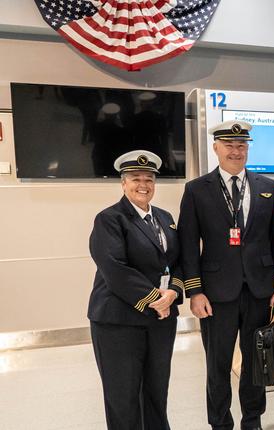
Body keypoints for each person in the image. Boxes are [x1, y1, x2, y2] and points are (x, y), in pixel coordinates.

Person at [178, 120, 274, 430]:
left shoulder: (266, 187)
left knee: (255, 361)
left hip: (258, 291)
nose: (235, 151)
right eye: (228, 145)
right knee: (218, 364)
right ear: (216, 148)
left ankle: (252, 420)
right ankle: (220, 423)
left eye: (241, 145)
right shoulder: (196, 190)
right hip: (215, 294)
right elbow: (188, 245)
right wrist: (195, 291)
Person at [88, 150, 183, 430]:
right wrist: (157, 299)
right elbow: (114, 268)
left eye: (149, 179)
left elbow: (177, 261)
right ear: (123, 183)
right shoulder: (109, 219)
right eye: (135, 178)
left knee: (156, 392)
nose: (143, 184)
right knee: (123, 397)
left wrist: (174, 292)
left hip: (160, 321)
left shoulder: (165, 218)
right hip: (118, 321)